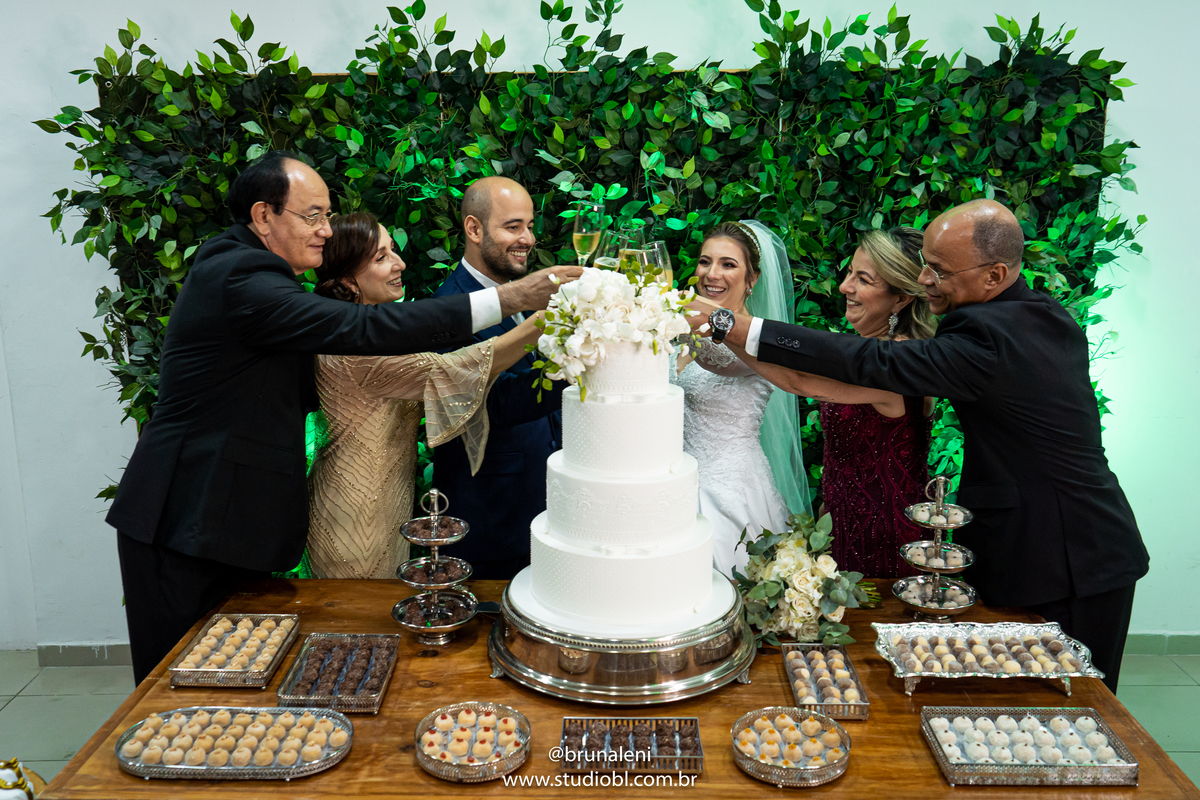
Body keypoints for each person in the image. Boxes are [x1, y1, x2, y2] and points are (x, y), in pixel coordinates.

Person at [105, 152, 578, 682]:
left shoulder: (263, 277)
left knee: (234, 677)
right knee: (178, 681)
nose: (325, 231)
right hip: (189, 516)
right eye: (312, 216)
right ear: (264, 216)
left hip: (232, 518)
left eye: (327, 216)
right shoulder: (238, 272)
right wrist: (514, 299)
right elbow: (372, 334)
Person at [689, 200, 1148, 691]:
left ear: (994, 275)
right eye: (925, 263)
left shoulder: (988, 336)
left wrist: (730, 324)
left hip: (1068, 556)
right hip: (1045, 541)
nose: (925, 278)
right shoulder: (1034, 314)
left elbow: (859, 364)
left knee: (1078, 705)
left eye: (940, 270)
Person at [306, 212, 546, 579]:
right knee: (360, 625)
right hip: (356, 516)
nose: (399, 263)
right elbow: (459, 368)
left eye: (393, 251)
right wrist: (548, 317)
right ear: (345, 280)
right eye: (381, 257)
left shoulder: (363, 327)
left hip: (384, 502)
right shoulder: (354, 347)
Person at [733, 228, 936, 578]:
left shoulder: (901, 360)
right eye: (849, 273)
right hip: (840, 524)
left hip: (885, 532)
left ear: (901, 298)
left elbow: (800, 381)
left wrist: (720, 326)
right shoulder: (863, 349)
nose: (845, 287)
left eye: (863, 279)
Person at [433, 177, 567, 580]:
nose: (527, 238)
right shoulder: (449, 307)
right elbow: (492, 403)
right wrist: (578, 364)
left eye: (529, 226)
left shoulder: (521, 294)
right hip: (493, 512)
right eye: (513, 226)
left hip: (540, 501)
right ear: (474, 229)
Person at [671, 221, 811, 578]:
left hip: (729, 496)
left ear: (752, 279)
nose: (711, 274)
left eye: (728, 264)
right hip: (669, 487)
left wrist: (678, 316)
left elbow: (722, 361)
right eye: (705, 262)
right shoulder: (680, 327)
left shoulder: (758, 342)